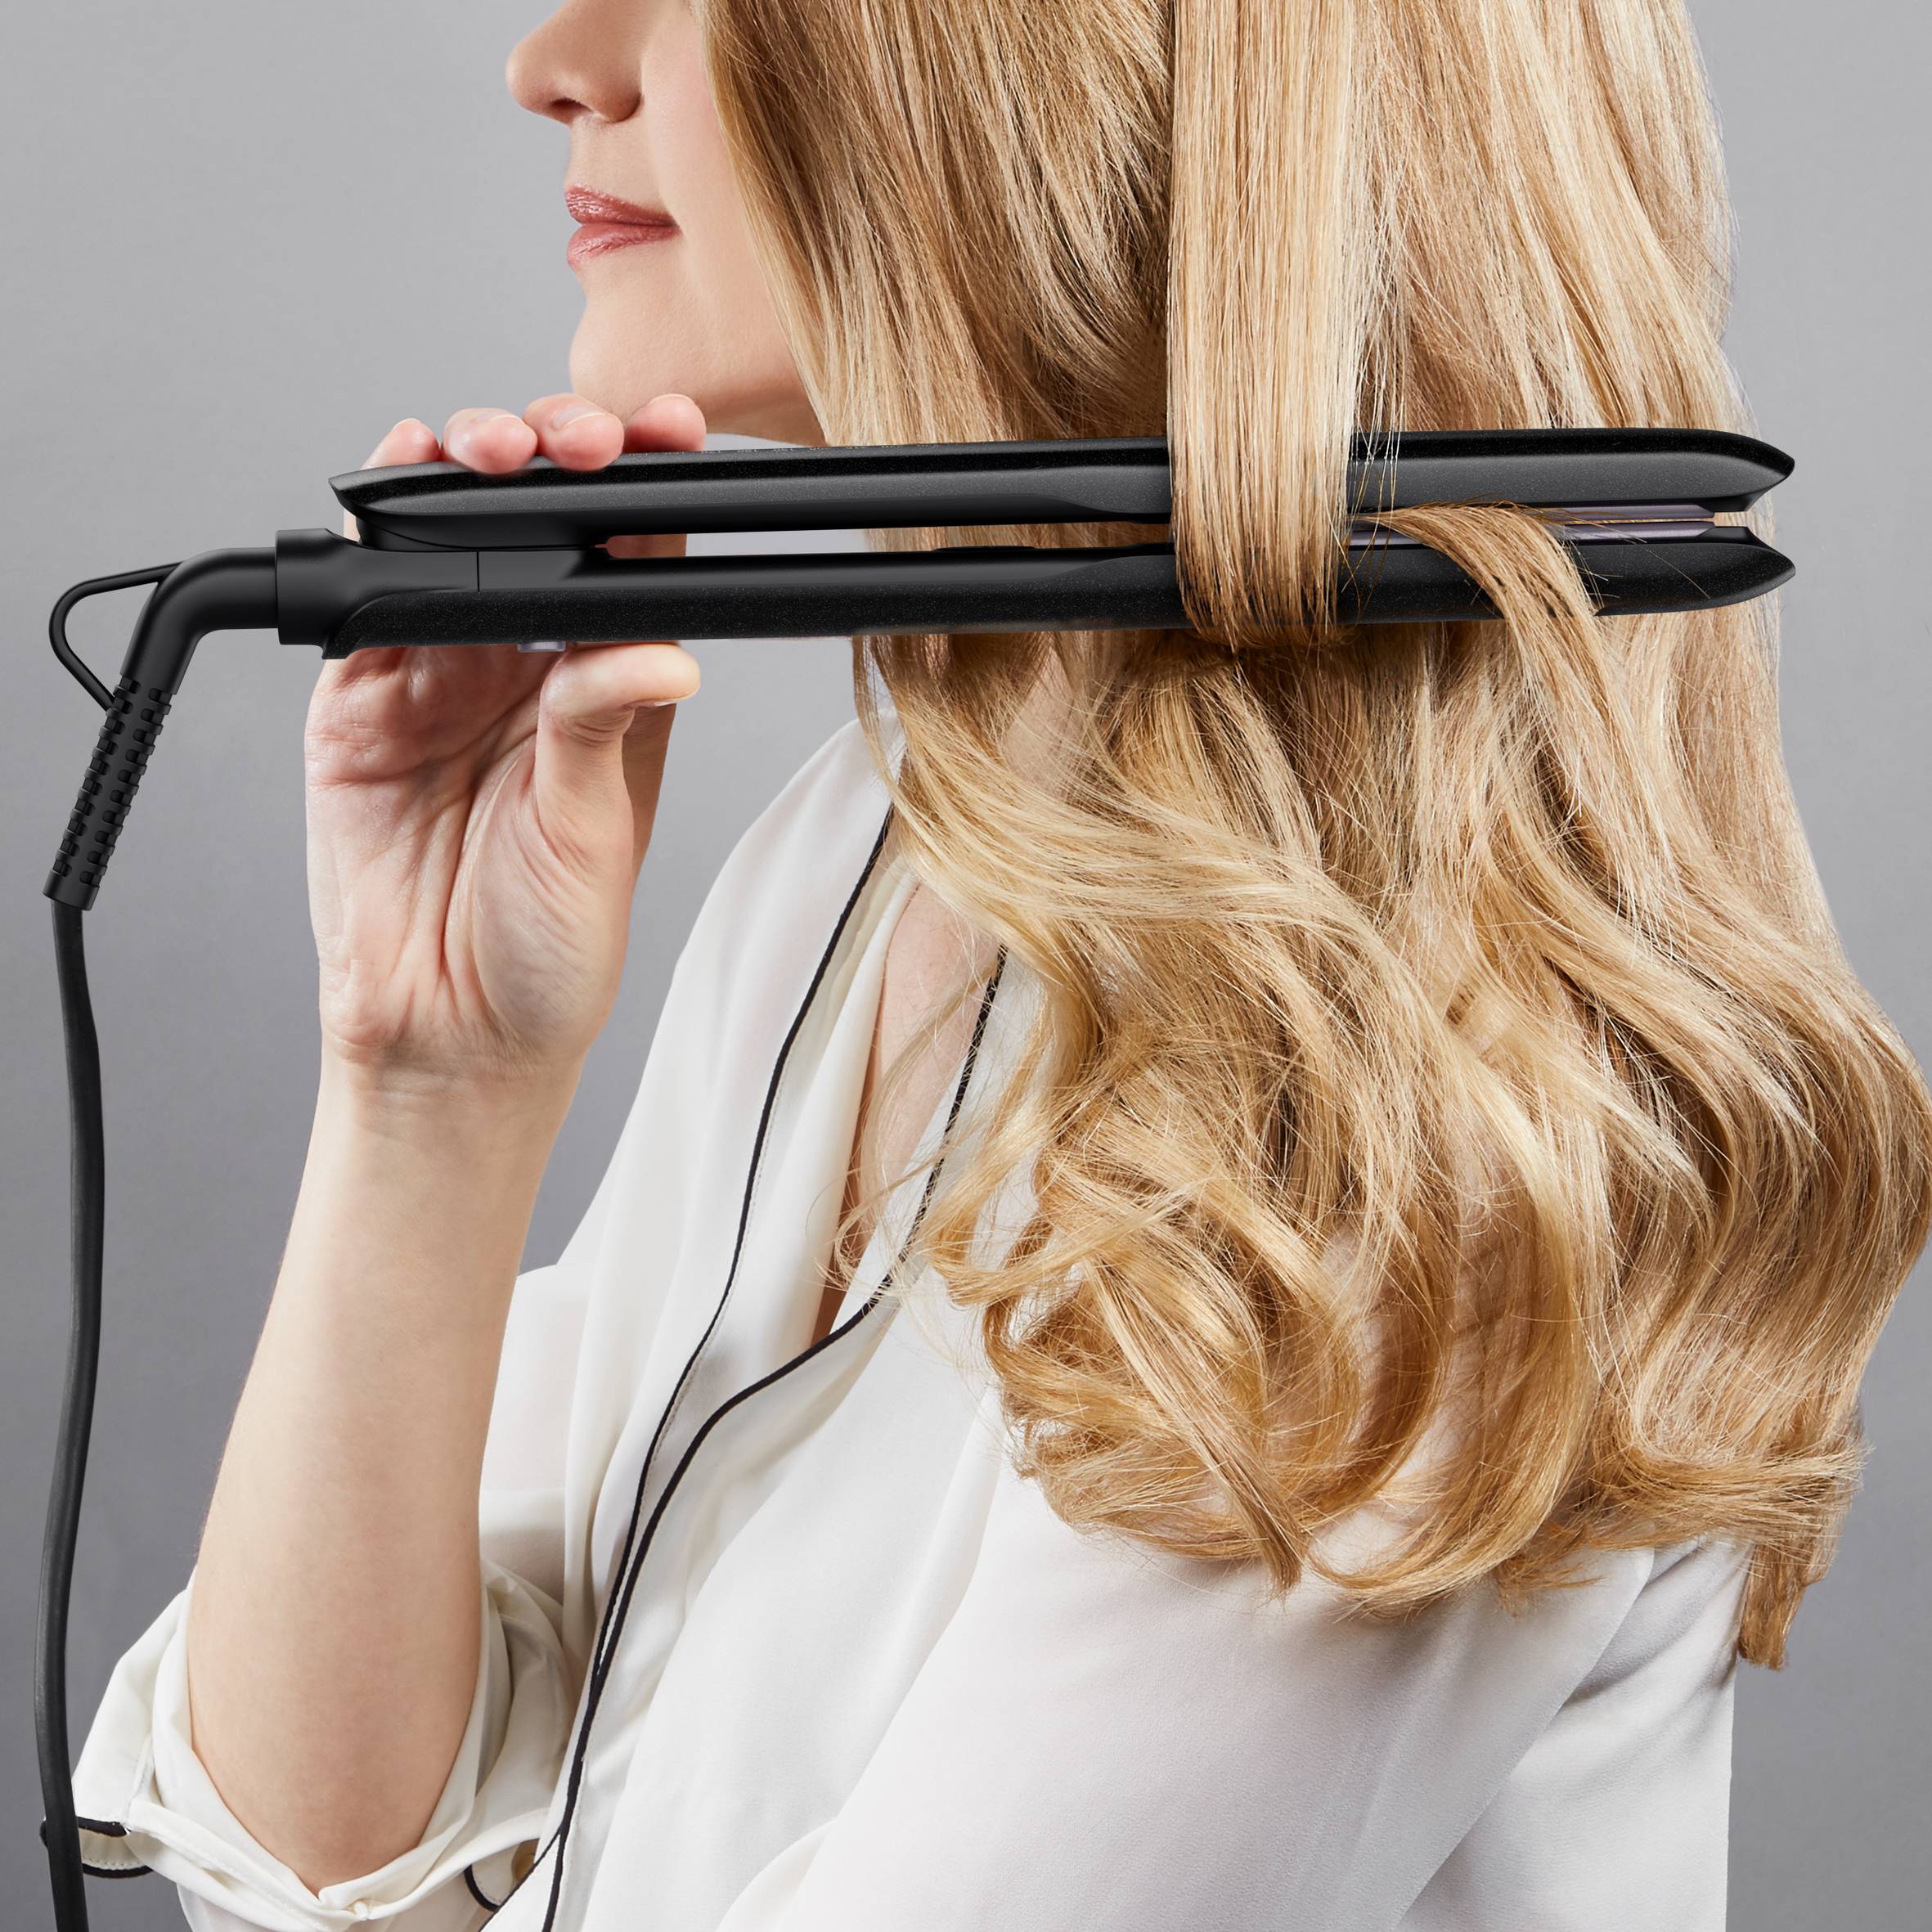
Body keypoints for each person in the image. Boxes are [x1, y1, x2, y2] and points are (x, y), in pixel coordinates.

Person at [66, 1, 1932, 1927]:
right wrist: (428, 1090)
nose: (554, 55)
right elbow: (319, 1855)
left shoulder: (1399, 1140)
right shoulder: (867, 854)